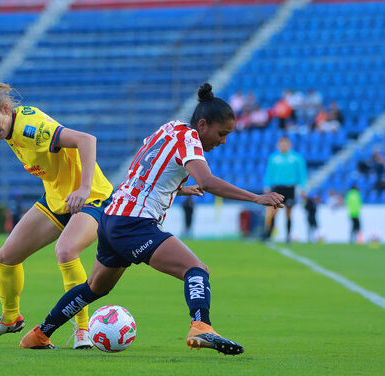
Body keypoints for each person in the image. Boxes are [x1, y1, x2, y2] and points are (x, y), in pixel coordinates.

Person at [18, 83, 284, 355]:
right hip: (134, 223)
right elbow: (208, 180)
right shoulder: (190, 139)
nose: (223, 140)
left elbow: (144, 173)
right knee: (196, 270)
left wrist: (177, 189)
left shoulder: (168, 129)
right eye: (221, 133)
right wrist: (256, 198)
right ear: (202, 125)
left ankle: (39, 334)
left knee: (94, 288)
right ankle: (201, 326)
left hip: (111, 218)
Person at [0, 83, 113, 349]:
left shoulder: (28, 128)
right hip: (58, 200)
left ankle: (83, 330)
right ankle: (10, 319)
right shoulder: (11, 129)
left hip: (92, 198)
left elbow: (86, 140)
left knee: (66, 251)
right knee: (6, 257)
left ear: (5, 108)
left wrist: (83, 188)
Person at [263, 137, 307, 243]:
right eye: (281, 144)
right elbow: (269, 173)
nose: (283, 146)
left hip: (290, 188)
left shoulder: (296, 158)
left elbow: (302, 174)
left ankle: (288, 235)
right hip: (277, 188)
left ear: (289, 145)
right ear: (278, 145)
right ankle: (269, 234)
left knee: (288, 212)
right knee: (273, 211)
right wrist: (267, 186)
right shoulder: (273, 158)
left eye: (285, 144)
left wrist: (303, 188)